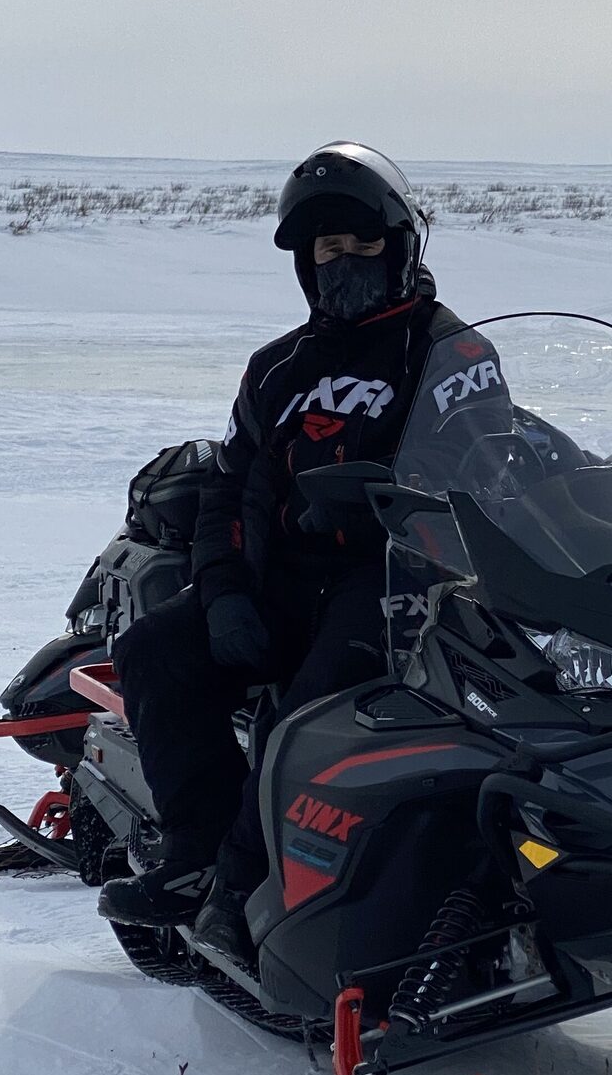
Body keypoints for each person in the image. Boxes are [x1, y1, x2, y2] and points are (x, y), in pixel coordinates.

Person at [98, 141, 478, 966]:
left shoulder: (449, 356)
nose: (344, 261)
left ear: (398, 244)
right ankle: (197, 851)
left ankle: (244, 890)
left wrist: (387, 502)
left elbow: (475, 474)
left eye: (361, 242)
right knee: (155, 647)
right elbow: (229, 491)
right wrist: (225, 592)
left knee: (311, 715)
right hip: (284, 579)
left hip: (394, 581)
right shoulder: (277, 368)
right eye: (327, 248)